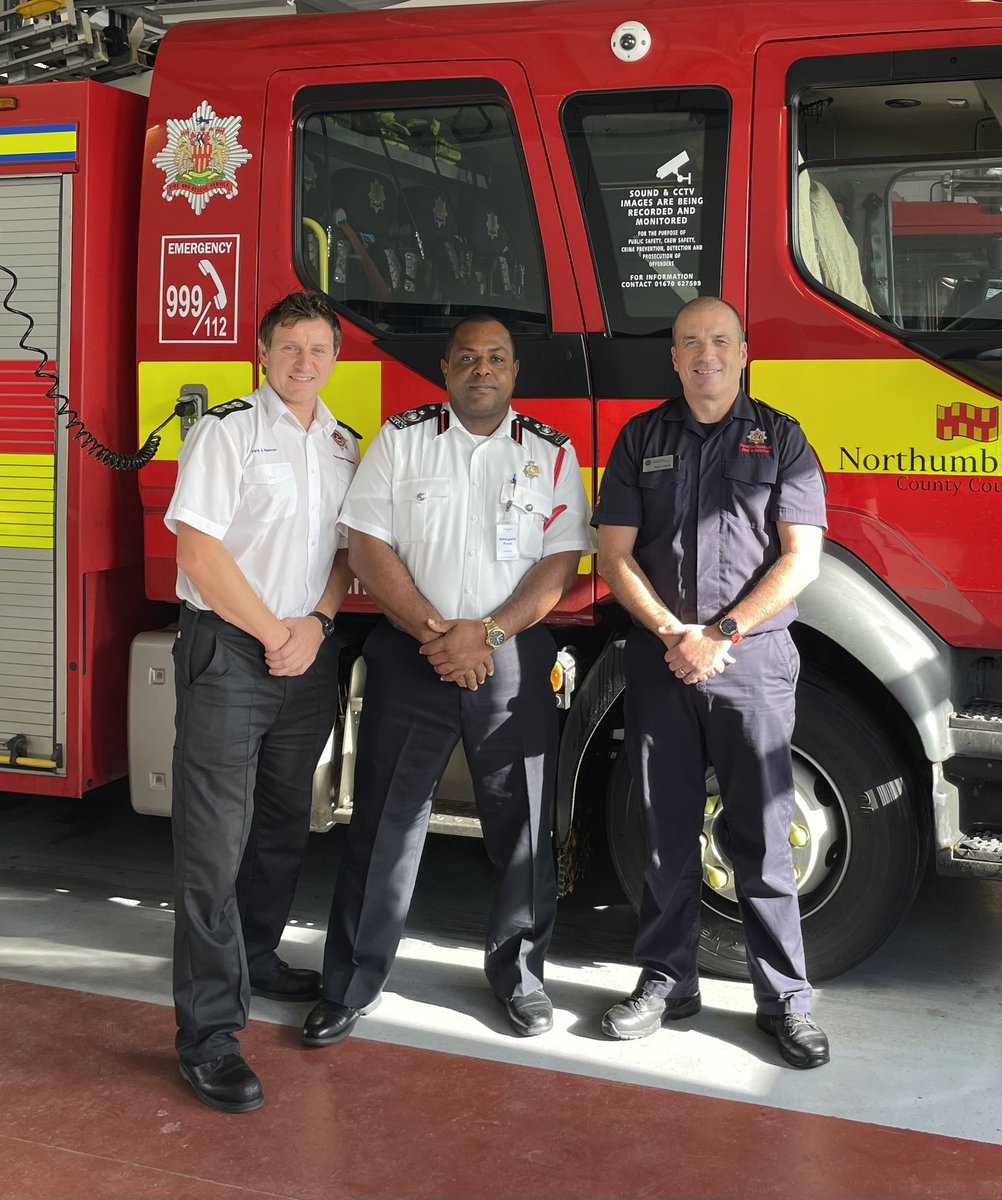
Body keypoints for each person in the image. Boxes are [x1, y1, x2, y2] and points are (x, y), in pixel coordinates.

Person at [302, 314, 592, 1047]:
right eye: (468, 358)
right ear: (446, 368)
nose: (482, 369)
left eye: (496, 358)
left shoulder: (553, 454)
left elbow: (560, 563)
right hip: (415, 656)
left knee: (523, 829)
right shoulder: (400, 441)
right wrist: (438, 633)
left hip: (511, 659)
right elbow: (366, 544)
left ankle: (521, 978)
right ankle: (350, 983)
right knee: (384, 830)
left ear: (515, 372)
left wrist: (486, 635)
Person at [592, 296, 830, 1069]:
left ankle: (785, 1001)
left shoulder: (783, 439)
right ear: (673, 356)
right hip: (663, 661)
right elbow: (614, 555)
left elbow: (802, 559)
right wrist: (672, 633)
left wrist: (720, 634)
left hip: (750, 663)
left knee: (761, 837)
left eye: (720, 340)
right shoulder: (640, 438)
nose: (705, 355)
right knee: (663, 832)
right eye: (690, 342)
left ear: (744, 350)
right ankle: (667, 980)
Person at [165, 290, 358, 1112]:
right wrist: (274, 632)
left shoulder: (347, 444)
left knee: (281, 825)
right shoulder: (228, 430)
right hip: (232, 651)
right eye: (289, 348)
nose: (303, 363)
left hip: (305, 654)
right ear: (262, 352)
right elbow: (199, 550)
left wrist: (313, 624)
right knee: (214, 844)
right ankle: (208, 1032)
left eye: (318, 350)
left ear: (335, 359)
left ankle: (256, 953)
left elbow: (351, 556)